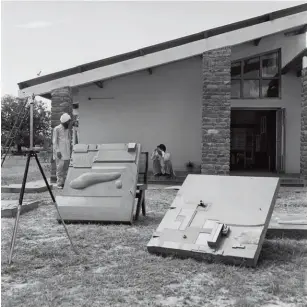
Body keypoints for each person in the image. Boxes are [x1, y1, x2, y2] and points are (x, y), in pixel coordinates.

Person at [53, 113, 72, 189]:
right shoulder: (57, 128)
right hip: (60, 152)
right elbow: (54, 141)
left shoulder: (67, 130)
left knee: (66, 168)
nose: (69, 123)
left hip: (67, 151)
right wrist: (57, 151)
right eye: (68, 121)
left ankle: (66, 183)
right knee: (60, 168)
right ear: (65, 121)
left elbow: (69, 139)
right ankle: (59, 183)